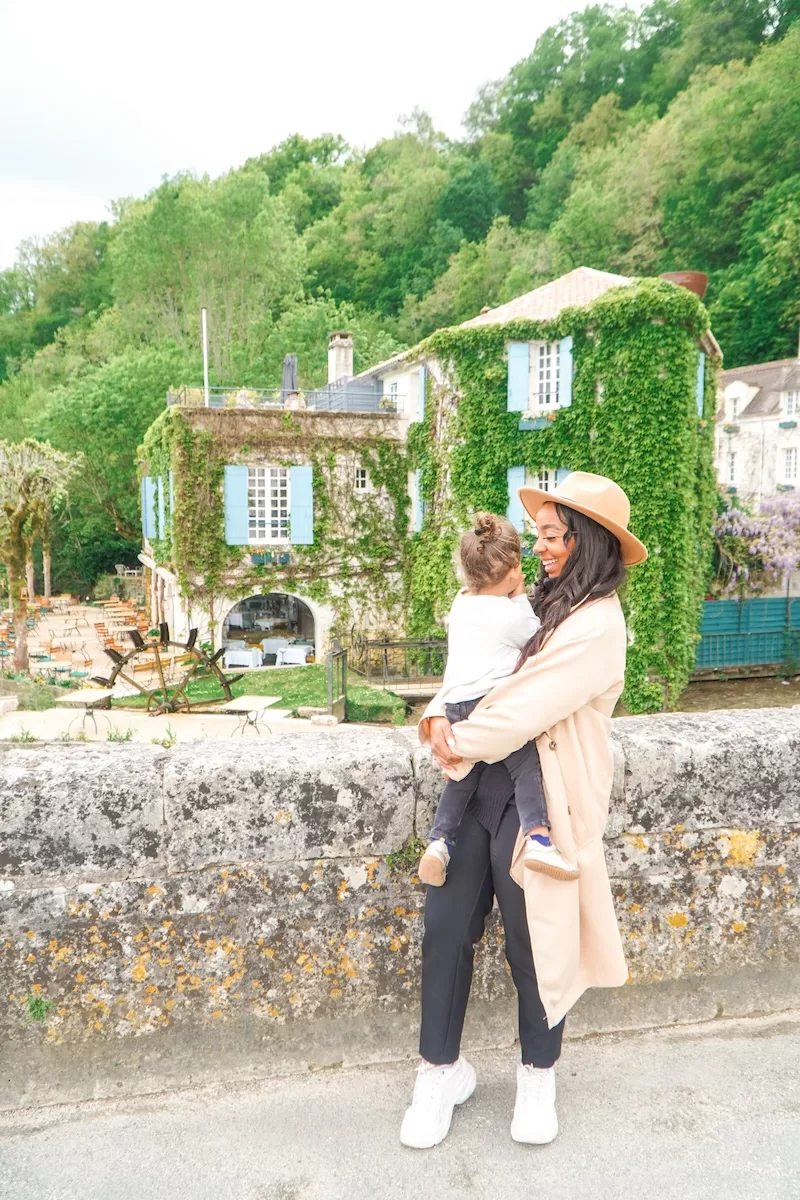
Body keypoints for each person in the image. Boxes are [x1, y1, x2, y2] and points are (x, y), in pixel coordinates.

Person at [400, 471, 648, 1151]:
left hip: (543, 798)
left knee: (532, 940)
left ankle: (539, 1073)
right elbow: (471, 664)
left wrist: (452, 743)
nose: (537, 547)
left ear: (585, 541)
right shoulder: (536, 599)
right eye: (536, 535)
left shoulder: (596, 625)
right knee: (445, 928)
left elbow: (522, 704)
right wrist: (434, 715)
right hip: (484, 786)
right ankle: (439, 1071)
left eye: (549, 536)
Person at [418, 512, 579, 888]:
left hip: (455, 706)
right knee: (526, 766)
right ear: (512, 568)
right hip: (487, 706)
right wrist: (520, 596)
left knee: (460, 780)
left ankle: (439, 842)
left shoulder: (461, 603)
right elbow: (534, 635)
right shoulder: (508, 615)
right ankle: (539, 837)